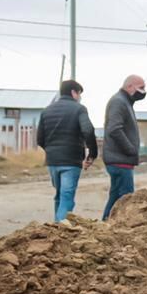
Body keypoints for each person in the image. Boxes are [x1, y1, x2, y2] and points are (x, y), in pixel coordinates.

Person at [37, 79, 98, 221]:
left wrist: (52, 150)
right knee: (66, 197)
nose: (80, 97)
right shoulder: (79, 109)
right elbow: (88, 131)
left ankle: (55, 229)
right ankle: (60, 230)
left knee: (59, 195)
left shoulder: (47, 111)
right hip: (71, 161)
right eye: (79, 93)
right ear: (73, 92)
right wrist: (92, 154)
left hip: (52, 161)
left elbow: (40, 139)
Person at [102, 74, 146, 220]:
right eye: (141, 88)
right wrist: (131, 149)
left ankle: (104, 226)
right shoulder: (119, 102)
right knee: (126, 199)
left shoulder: (124, 102)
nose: (144, 92)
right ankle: (119, 229)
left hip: (121, 160)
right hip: (120, 160)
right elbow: (114, 129)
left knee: (115, 198)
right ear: (129, 86)